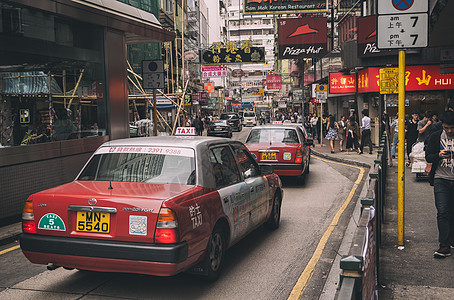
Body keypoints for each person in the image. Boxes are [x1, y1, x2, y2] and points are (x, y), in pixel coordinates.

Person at [425, 110, 454, 258]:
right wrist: (437, 155)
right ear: (442, 125)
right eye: (446, 127)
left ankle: (451, 239)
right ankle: (444, 246)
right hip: (440, 178)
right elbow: (428, 156)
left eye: (452, 128)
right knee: (442, 211)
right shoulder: (435, 137)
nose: (449, 131)